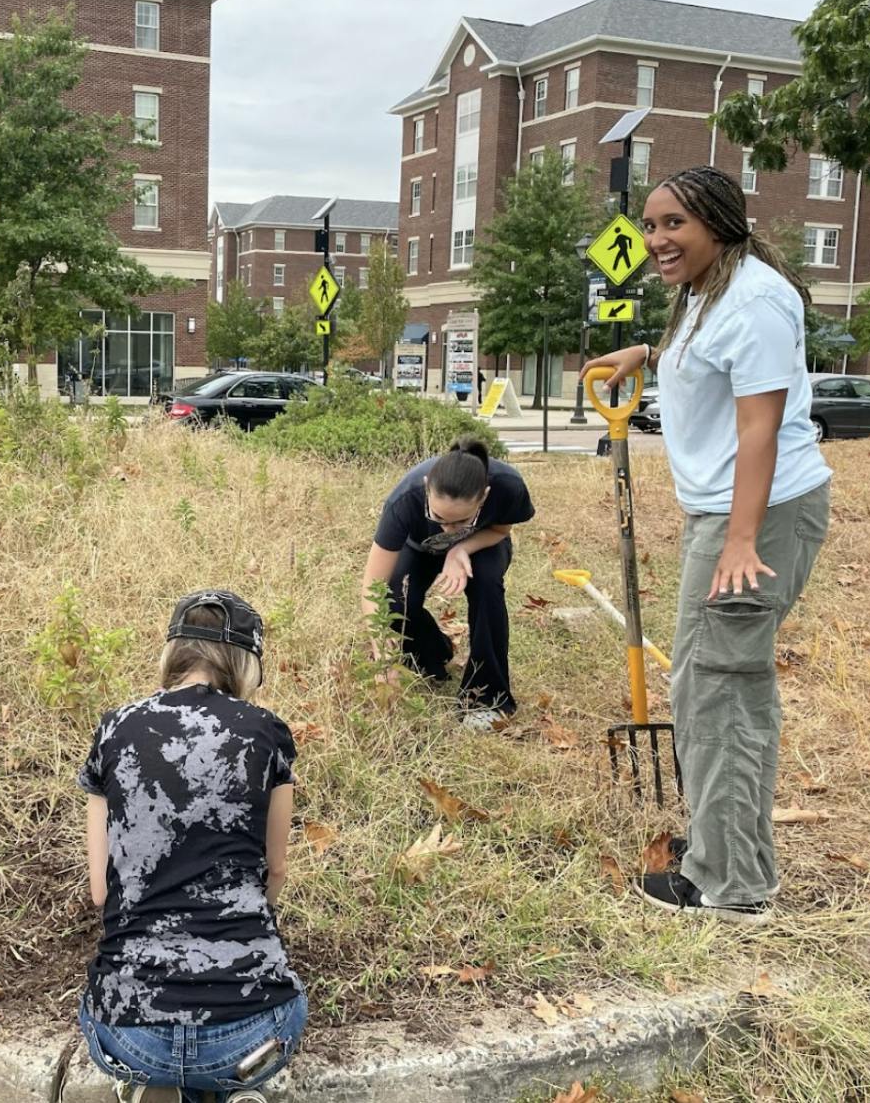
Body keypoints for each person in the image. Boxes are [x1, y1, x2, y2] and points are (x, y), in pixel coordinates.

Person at [583, 165, 832, 925]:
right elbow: (716, 367)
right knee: (710, 687)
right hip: (727, 516)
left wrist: (741, 538)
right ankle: (729, 862)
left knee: (721, 691)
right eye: (652, 225)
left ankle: (730, 886)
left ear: (717, 225)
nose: (658, 239)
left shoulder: (754, 298)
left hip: (753, 519)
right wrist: (645, 357)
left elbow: (759, 426)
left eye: (673, 226)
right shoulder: (708, 292)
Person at [77, 591, 307, 1103]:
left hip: (128, 1032)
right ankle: (231, 1090)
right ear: (247, 662)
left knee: (129, 1040)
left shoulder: (115, 728)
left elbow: (100, 892)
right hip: (253, 1032)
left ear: (173, 652)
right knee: (258, 1036)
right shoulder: (266, 733)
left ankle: (157, 1083)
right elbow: (275, 871)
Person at [361, 436, 535, 729]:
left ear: (485, 496)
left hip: (481, 546)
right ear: (427, 486)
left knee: (487, 585)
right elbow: (372, 583)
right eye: (438, 516)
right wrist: (382, 648)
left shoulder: (508, 485)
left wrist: (461, 547)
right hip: (419, 547)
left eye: (461, 521)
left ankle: (486, 698)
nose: (447, 528)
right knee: (395, 598)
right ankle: (432, 653)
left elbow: (501, 530)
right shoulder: (404, 499)